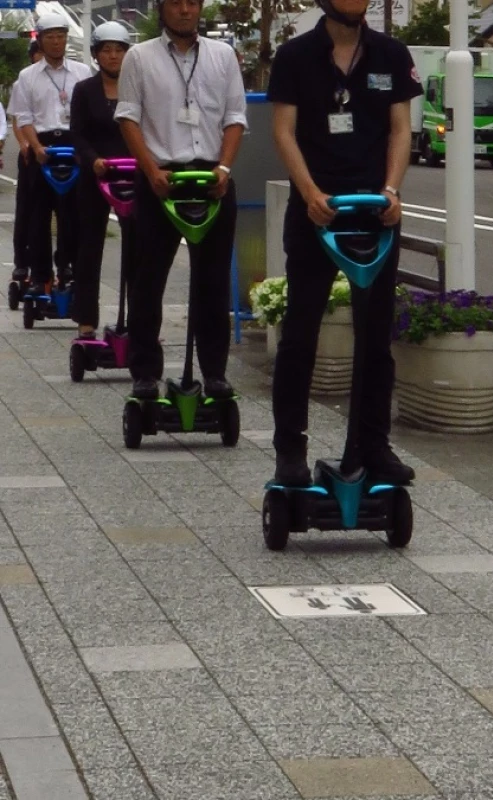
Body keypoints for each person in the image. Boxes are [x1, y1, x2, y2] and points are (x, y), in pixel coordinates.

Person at [265, 0, 422, 486]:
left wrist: (392, 191)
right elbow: (283, 132)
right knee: (300, 334)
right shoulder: (294, 56)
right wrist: (310, 193)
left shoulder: (391, 55)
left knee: (376, 338)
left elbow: (400, 130)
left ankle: (373, 446)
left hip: (374, 213)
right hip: (317, 212)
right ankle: (290, 449)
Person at [115, 0, 247, 400]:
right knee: (148, 280)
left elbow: (235, 117)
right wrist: (150, 170)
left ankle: (216, 373)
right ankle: (144, 372)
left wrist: (224, 169)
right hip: (162, 179)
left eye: (192, 2)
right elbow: (128, 117)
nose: (185, 10)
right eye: (176, 3)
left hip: (211, 179)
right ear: (162, 9)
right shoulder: (139, 57)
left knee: (212, 282)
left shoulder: (223, 56)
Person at [12, 13, 91, 294]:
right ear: (41, 40)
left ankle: (68, 265)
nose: (56, 42)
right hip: (41, 147)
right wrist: (35, 148)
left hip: (73, 147)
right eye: (50, 37)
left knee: (72, 213)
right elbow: (23, 117)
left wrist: (84, 150)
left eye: (61, 36)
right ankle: (40, 274)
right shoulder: (28, 77)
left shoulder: (82, 73)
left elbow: (87, 115)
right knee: (38, 216)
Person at [70, 22, 136, 341]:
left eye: (119, 50)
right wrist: (93, 159)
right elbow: (77, 134)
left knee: (139, 248)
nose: (113, 56)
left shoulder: (138, 87)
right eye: (106, 50)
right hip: (95, 176)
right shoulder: (84, 90)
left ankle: (139, 319)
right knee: (90, 248)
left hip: (133, 174)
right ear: (96, 55)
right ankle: (86, 320)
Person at [8, 40, 43, 285]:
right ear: (33, 56)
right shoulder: (25, 81)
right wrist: (24, 144)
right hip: (32, 154)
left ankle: (63, 264)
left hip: (60, 153)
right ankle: (22, 262)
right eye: (39, 53)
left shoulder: (72, 77)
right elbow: (18, 119)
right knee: (27, 211)